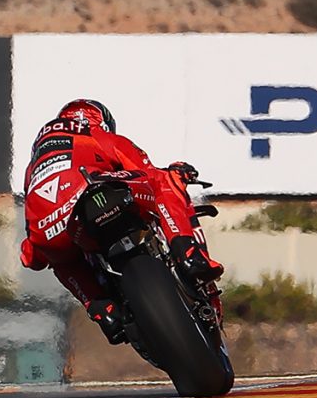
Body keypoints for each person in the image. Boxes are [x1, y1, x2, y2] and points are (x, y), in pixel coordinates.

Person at [17, 98, 220, 342]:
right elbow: (148, 172)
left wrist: (40, 247)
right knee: (165, 180)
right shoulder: (94, 134)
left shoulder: (32, 169)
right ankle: (187, 252)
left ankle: (102, 310)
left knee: (60, 259)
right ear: (102, 121)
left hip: (50, 228)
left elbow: (32, 256)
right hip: (95, 191)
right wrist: (179, 171)